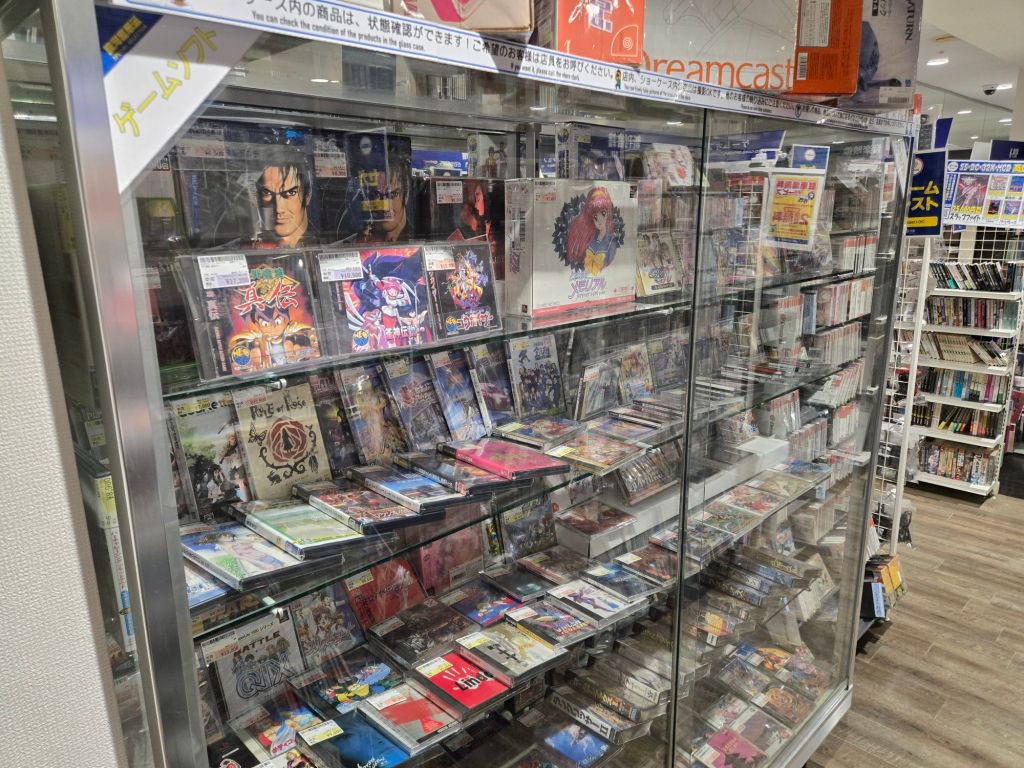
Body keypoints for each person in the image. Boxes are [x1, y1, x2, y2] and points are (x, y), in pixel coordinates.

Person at [255, 155, 313, 246]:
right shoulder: (253, 245)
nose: (278, 209)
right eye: (267, 193)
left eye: (290, 193)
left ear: (307, 196)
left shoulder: (325, 242)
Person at [565, 186, 618, 275]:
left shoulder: (611, 241)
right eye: (595, 217)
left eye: (603, 213)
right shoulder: (589, 239)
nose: (599, 220)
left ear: (607, 215)